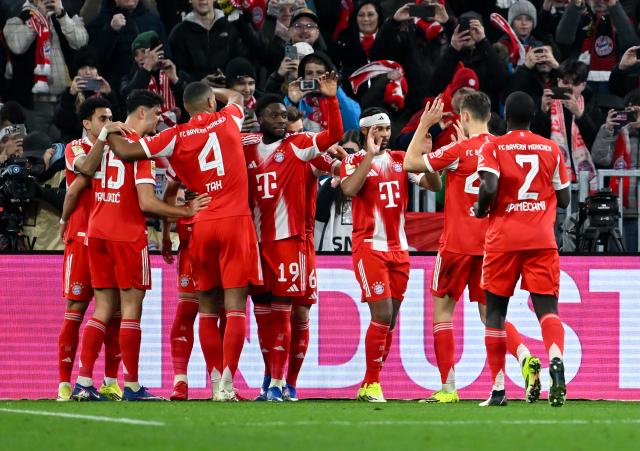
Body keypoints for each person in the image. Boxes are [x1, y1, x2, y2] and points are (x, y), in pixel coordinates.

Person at [106, 83, 262, 402]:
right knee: (234, 310)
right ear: (209, 101)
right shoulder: (229, 117)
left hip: (201, 223)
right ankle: (225, 386)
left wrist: (108, 131)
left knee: (204, 309)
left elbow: (125, 152)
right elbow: (236, 97)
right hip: (235, 222)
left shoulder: (175, 135)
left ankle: (213, 379)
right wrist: (214, 87)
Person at [72, 90, 209, 401]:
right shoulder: (138, 148)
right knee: (131, 311)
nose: (160, 120)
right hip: (126, 235)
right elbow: (147, 203)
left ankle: (83, 382)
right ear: (143, 113)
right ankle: (132, 386)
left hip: (97, 231)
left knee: (103, 309)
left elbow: (85, 171)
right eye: (158, 114)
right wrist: (185, 211)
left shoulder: (106, 141)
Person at [404, 92, 540, 404]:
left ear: (464, 117)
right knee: (490, 315)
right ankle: (522, 358)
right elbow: (438, 183)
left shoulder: (458, 149)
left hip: (456, 245)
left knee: (443, 312)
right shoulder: (503, 150)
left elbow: (411, 162)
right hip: (493, 246)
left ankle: (449, 389)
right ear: (490, 115)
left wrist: (424, 125)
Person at [243, 73, 344, 402]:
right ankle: (270, 376)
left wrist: (329, 99)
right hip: (256, 244)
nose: (282, 121)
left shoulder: (300, 147)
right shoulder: (246, 148)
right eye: (275, 115)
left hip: (292, 242)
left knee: (291, 313)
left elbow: (334, 138)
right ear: (259, 118)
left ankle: (284, 383)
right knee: (263, 316)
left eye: (285, 116)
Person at [474, 91, 571, 407]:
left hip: (503, 239)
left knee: (496, 314)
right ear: (532, 117)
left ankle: (499, 389)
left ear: (504, 114)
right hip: (541, 239)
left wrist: (480, 209)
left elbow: (488, 186)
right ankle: (556, 358)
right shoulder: (551, 148)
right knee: (548, 311)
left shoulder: (494, 146)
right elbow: (566, 198)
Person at [340, 107, 441, 402]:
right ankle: (371, 384)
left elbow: (434, 187)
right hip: (369, 247)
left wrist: (429, 160)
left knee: (391, 320)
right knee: (381, 315)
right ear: (365, 132)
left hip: (399, 250)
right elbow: (348, 189)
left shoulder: (400, 161)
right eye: (378, 130)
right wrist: (369, 156)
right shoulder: (354, 161)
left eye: (386, 129)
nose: (384, 134)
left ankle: (371, 383)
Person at [56, 97, 126, 402]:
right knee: (76, 309)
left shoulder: (119, 148)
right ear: (87, 123)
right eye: (102, 119)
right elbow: (84, 169)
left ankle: (111, 381)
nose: (108, 123)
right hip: (82, 239)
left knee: (117, 314)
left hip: (111, 240)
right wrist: (103, 138)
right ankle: (64, 384)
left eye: (110, 117)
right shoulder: (75, 147)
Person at [3, 0, 89, 138]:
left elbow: (81, 41)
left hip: (66, 98)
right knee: (39, 147)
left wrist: (62, 14)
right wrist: (38, 17)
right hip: (34, 103)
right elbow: (17, 45)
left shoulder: (65, 15)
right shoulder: (18, 17)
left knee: (65, 145)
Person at [160, 179, 199, 400]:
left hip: (222, 231)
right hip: (191, 241)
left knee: (222, 314)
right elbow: (171, 189)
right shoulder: (185, 155)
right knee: (186, 311)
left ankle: (223, 382)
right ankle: (180, 381)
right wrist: (166, 231)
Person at [591, 88, 640, 252]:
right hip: (622, 211)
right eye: (629, 111)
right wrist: (607, 129)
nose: (634, 116)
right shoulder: (616, 132)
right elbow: (600, 158)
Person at [431, 11, 509, 113]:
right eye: (464, 28)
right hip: (454, 114)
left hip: (484, 114)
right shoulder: (449, 54)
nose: (469, 33)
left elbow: (501, 81)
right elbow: (437, 86)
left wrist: (483, 41)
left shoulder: (489, 53)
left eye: (474, 29)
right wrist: (454, 48)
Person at [87, 0, 167, 92]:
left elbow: (166, 54)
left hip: (153, 93)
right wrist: (111, 31)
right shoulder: (98, 23)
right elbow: (93, 61)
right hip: (116, 95)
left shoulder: (153, 21)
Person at [120, 31, 186, 127]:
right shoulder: (129, 78)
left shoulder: (175, 71)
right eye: (136, 53)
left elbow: (191, 102)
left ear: (158, 51)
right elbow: (128, 98)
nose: (139, 57)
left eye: (144, 51)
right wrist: (147, 67)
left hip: (177, 132)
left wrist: (175, 79)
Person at [55, 47, 120, 142]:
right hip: (76, 146)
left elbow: (117, 120)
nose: (88, 72)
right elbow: (63, 124)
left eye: (92, 68)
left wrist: (109, 94)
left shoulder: (106, 93)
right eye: (83, 68)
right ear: (76, 71)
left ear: (98, 71)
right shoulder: (68, 94)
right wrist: (71, 95)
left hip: (104, 143)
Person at [285, 52, 361, 132]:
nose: (314, 77)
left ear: (329, 75)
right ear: (303, 77)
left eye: (320, 73)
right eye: (309, 73)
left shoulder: (341, 98)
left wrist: (335, 91)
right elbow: (284, 131)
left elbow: (354, 127)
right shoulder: (295, 99)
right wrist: (292, 103)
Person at [225, 57, 260, 132]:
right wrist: (232, 130)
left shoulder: (264, 103)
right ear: (230, 85)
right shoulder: (216, 107)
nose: (247, 90)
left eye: (251, 83)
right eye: (241, 83)